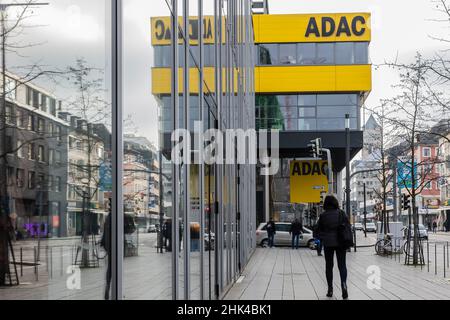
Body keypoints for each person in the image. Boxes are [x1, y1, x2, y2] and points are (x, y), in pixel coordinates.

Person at [317, 194, 350, 300]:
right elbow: (348, 227)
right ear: (335, 202)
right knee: (342, 266)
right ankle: (344, 286)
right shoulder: (341, 213)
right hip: (341, 242)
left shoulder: (323, 215)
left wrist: (323, 237)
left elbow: (318, 230)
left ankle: (330, 289)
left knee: (329, 266)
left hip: (328, 243)